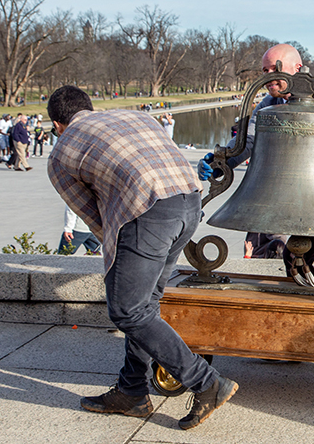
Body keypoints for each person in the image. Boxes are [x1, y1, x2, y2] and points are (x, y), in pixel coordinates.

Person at [46, 85, 237, 430]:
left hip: (147, 211)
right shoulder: (136, 115)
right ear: (90, 107)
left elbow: (98, 219)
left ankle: (206, 382)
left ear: (58, 124)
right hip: (188, 202)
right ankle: (132, 391)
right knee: (145, 305)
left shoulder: (61, 153)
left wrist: (118, 263)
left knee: (127, 309)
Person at [197, 44, 314, 283]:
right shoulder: (268, 106)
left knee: (300, 255)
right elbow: (247, 142)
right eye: (264, 71)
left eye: (274, 69)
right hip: (306, 191)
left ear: (297, 68)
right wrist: (218, 163)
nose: (268, 77)